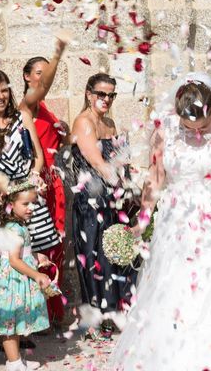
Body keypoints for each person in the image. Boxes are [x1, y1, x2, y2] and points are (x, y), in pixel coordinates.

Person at [110, 73, 211, 370]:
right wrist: (143, 219)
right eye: (189, 126)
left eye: (202, 125)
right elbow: (156, 176)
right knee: (173, 284)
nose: (196, 132)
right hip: (176, 218)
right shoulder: (165, 127)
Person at [0, 70, 61, 349]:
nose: (0, 96)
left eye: (4, 90)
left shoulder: (21, 117)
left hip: (24, 196)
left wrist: (31, 181)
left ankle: (22, 326)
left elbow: (37, 155)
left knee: (30, 259)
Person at [69, 73, 137, 339]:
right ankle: (95, 319)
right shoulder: (84, 122)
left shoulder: (109, 122)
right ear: (89, 93)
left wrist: (131, 183)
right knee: (93, 257)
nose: (106, 99)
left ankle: (111, 315)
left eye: (111, 94)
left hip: (112, 199)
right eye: (101, 94)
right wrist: (125, 184)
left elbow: (120, 159)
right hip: (92, 202)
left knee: (112, 256)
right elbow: (97, 163)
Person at [0, 180, 51, 371]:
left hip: (16, 279)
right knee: (8, 323)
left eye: (33, 203)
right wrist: (36, 274)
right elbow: (14, 260)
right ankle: (14, 364)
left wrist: (37, 256)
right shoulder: (14, 228)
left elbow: (21, 253)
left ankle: (16, 361)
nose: (31, 207)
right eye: (25, 204)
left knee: (14, 322)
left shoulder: (19, 225)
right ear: (10, 205)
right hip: (10, 282)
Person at [19, 38, 68, 329]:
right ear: (27, 76)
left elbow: (57, 141)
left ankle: (53, 310)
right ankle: (39, 312)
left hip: (53, 183)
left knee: (55, 247)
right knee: (36, 246)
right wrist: (58, 54)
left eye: (47, 72)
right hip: (34, 184)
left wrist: (64, 130)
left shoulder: (45, 108)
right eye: (39, 72)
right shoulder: (27, 104)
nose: (43, 77)